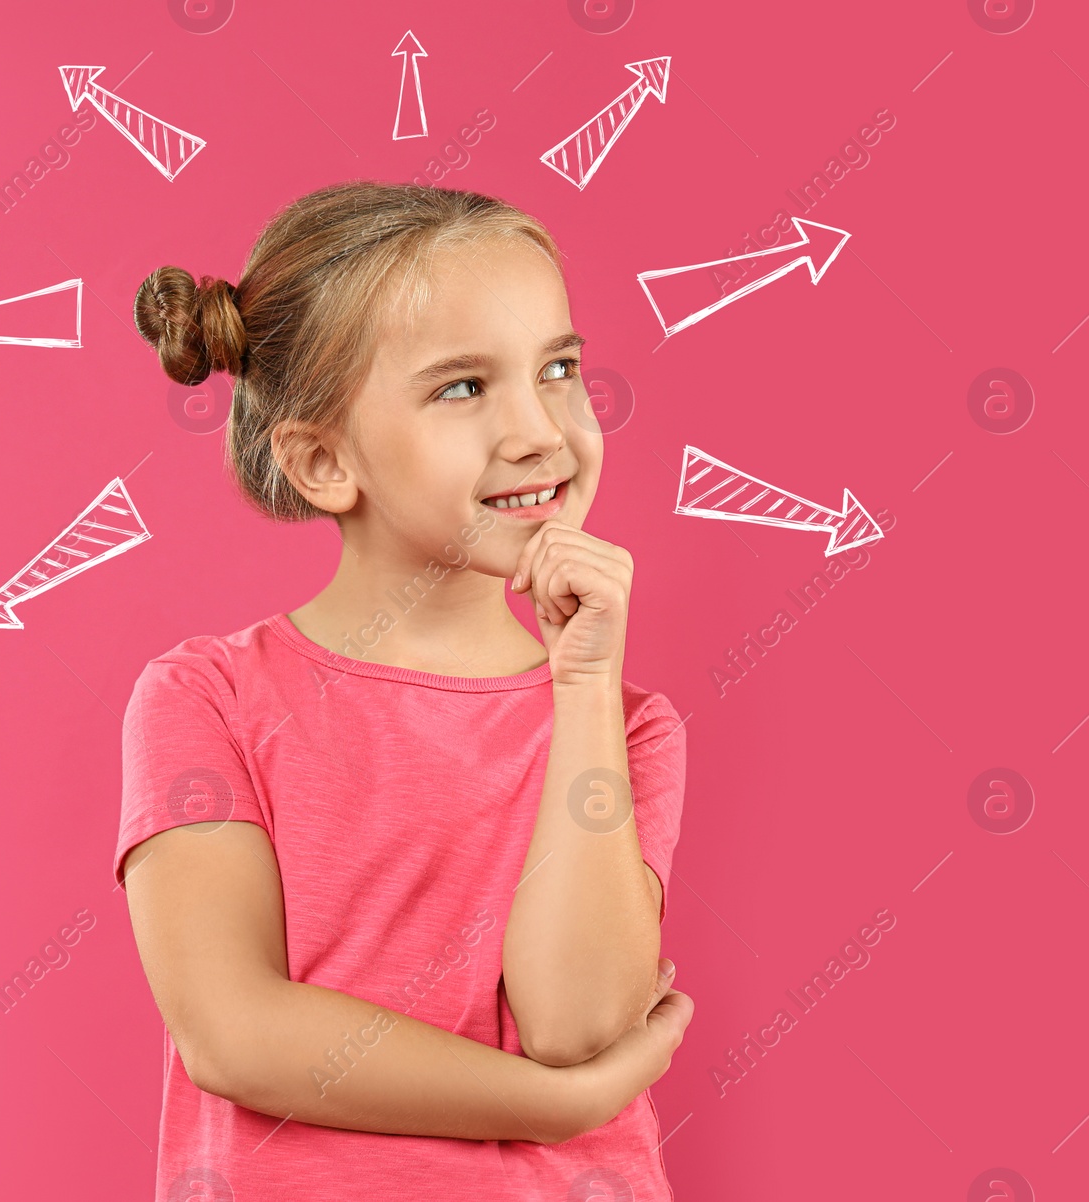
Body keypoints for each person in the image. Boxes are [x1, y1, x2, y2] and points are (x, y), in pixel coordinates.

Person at [115, 180, 693, 1200]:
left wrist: (586, 680)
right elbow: (235, 1033)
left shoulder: (625, 727)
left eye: (557, 368)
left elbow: (577, 1022)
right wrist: (555, 1106)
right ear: (324, 459)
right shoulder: (208, 697)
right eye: (463, 388)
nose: (539, 430)